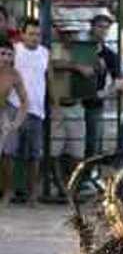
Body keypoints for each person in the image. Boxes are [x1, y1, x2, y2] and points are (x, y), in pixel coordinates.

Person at [6, 18, 53, 207]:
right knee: (9, 152)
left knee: (35, 155)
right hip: (14, 108)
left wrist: (55, 105)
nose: (35, 37)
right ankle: (9, 191)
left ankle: (32, 195)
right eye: (31, 33)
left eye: (37, 34)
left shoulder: (44, 53)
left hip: (36, 111)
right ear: (22, 34)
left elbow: (50, 79)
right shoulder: (15, 50)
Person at [51, 24, 93, 196]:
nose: (70, 36)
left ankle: (70, 186)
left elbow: (93, 70)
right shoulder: (54, 48)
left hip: (76, 106)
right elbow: (52, 64)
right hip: (57, 106)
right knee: (54, 151)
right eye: (66, 33)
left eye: (73, 33)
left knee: (77, 152)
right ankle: (60, 186)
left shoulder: (84, 51)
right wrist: (75, 66)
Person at [84, 12, 120, 160]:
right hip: (74, 103)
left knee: (94, 142)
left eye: (106, 27)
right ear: (92, 27)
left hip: (95, 104)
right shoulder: (81, 48)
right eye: (100, 26)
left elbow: (118, 81)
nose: (103, 30)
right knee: (72, 144)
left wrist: (104, 93)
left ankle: (89, 177)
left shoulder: (109, 55)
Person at [0, 38, 29, 207]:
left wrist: (16, 123)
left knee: (7, 155)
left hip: (4, 114)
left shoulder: (14, 74)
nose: (5, 58)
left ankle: (8, 190)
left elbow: (25, 101)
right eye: (2, 53)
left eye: (9, 55)